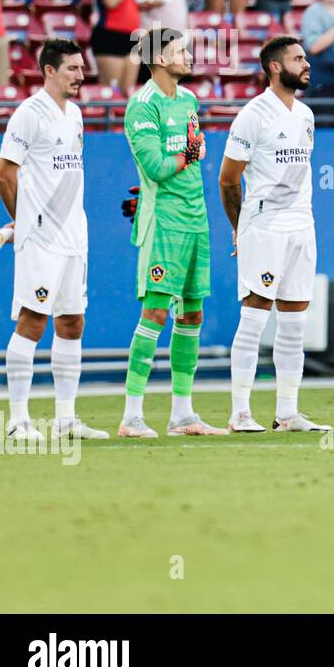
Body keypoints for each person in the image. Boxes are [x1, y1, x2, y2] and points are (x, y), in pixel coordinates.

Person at [218, 35, 332, 434]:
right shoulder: (253, 114)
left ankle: (288, 412)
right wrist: (239, 227)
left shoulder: (305, 115)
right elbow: (228, 179)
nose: (306, 65)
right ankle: (240, 412)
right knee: (253, 318)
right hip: (263, 226)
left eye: (305, 57)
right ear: (274, 67)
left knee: (294, 324)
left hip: (302, 224)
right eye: (298, 59)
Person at [0, 40, 105, 443]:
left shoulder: (74, 115)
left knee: (72, 321)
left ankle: (65, 419)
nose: (80, 75)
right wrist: (21, 222)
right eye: (73, 69)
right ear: (49, 71)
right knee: (33, 320)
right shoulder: (28, 114)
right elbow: (4, 174)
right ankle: (18, 420)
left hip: (75, 235)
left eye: (81, 67)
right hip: (40, 237)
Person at [118, 28, 224, 438]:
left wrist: (189, 154)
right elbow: (159, 168)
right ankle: (131, 416)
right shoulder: (142, 106)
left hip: (196, 218)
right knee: (156, 313)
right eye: (181, 50)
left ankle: (183, 414)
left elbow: (193, 153)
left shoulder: (189, 99)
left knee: (192, 313)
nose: (189, 56)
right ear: (160, 59)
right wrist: (189, 154)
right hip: (164, 222)